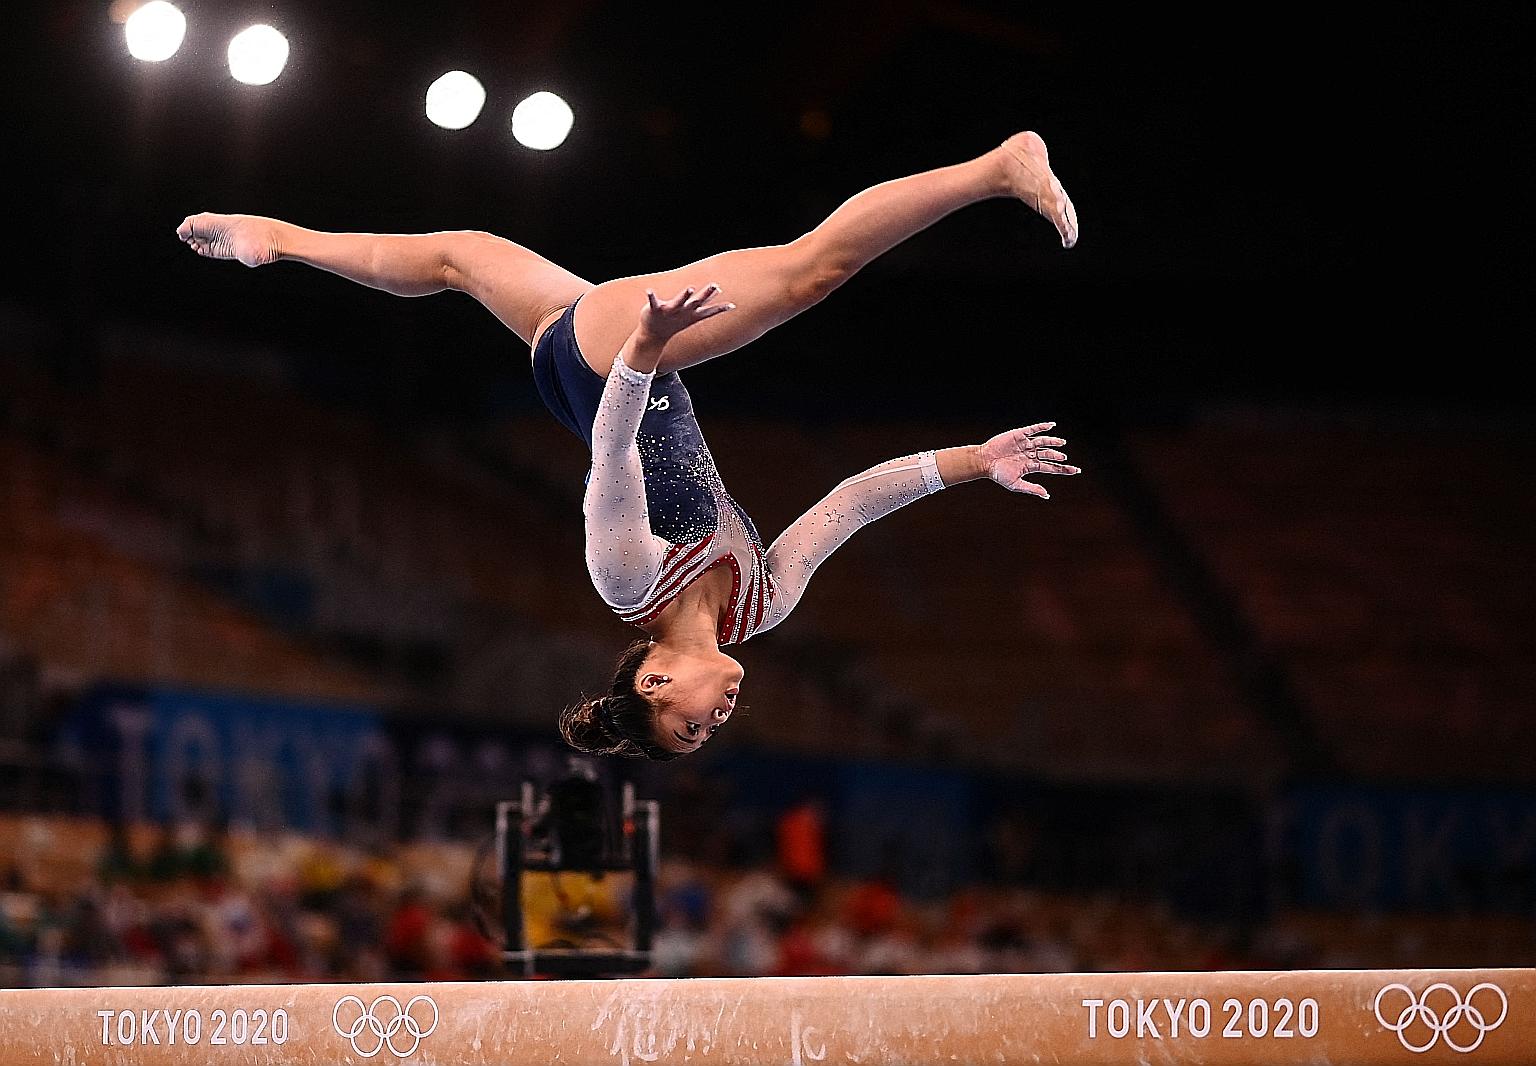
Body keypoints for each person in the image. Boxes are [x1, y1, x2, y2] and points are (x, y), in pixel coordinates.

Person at [177, 131, 1081, 760]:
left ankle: (996, 169)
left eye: (692, 725)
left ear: (653, 684)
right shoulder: (762, 605)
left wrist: (644, 349)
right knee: (456, 258)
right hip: (581, 364)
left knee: (812, 271)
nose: (716, 719)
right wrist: (974, 461)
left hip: (612, 364)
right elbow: (849, 504)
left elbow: (612, 452)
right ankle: (281, 240)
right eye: (709, 734)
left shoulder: (627, 580)